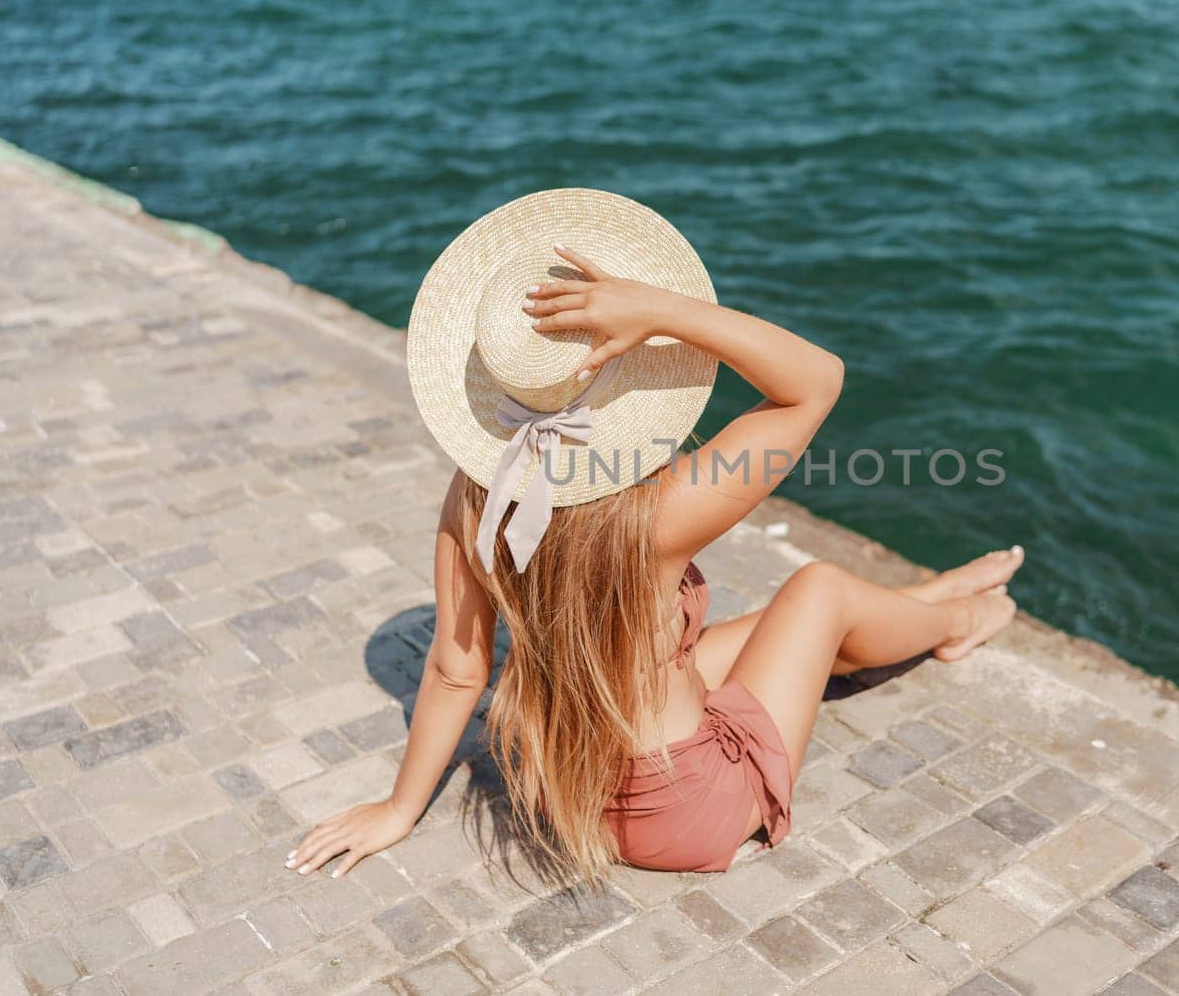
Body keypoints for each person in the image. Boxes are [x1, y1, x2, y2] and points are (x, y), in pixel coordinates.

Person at [284, 189, 1020, 882]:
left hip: (565, 792)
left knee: (758, 629)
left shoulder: (478, 496)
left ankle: (921, 597)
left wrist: (397, 809)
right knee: (819, 590)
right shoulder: (656, 516)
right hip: (686, 808)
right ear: (618, 374)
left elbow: (453, 669)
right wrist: (661, 310)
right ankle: (958, 620)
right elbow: (816, 379)